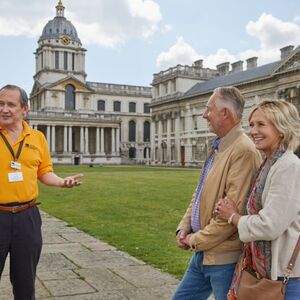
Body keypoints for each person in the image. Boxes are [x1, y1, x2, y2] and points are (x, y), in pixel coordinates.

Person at [173, 86, 261, 300]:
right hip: (203, 253)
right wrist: (183, 228)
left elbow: (230, 214)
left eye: (208, 109)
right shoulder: (217, 146)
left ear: (225, 113)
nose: (204, 115)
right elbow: (199, 193)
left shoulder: (244, 151)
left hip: (225, 259)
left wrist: (195, 240)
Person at [0, 84, 83, 299]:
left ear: (24, 109)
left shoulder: (37, 138)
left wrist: (63, 182)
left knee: (25, 281)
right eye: (0, 104)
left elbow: (45, 172)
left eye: (11, 104)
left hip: (27, 217)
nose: (4, 109)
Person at [215, 99, 300, 300]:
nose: (253, 131)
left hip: (285, 279)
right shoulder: (269, 163)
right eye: (251, 124)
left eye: (261, 124)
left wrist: (233, 217)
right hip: (266, 274)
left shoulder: (289, 166)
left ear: (282, 129)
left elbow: (269, 225)